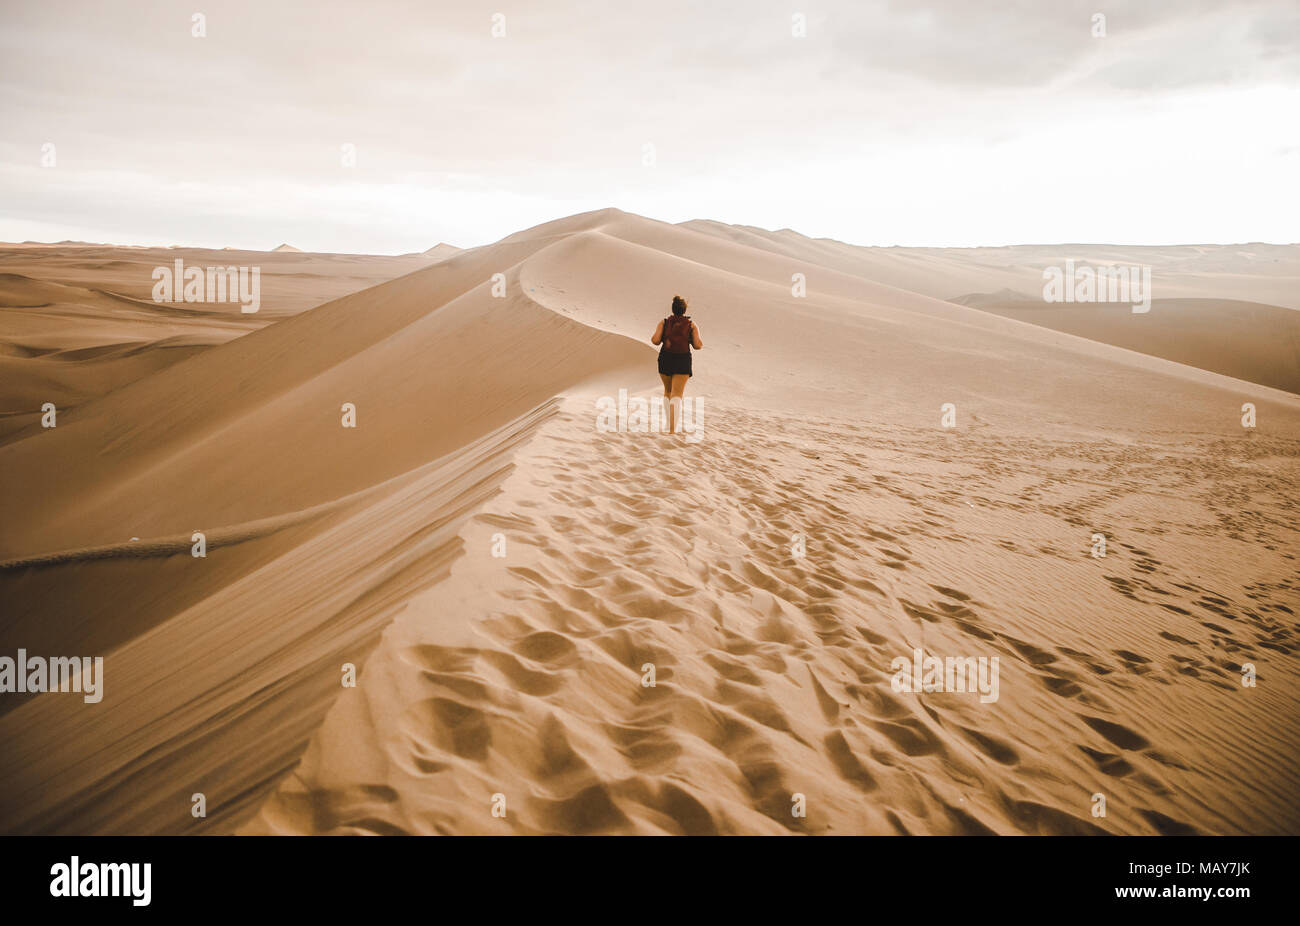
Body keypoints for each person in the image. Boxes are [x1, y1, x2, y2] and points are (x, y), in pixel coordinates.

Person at [650, 295, 703, 434]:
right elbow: (698, 345)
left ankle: (668, 424)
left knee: (668, 392)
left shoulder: (664, 322)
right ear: (684, 310)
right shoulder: (691, 324)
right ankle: (672, 430)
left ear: (672, 309)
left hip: (665, 358)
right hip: (682, 360)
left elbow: (655, 340)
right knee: (677, 395)